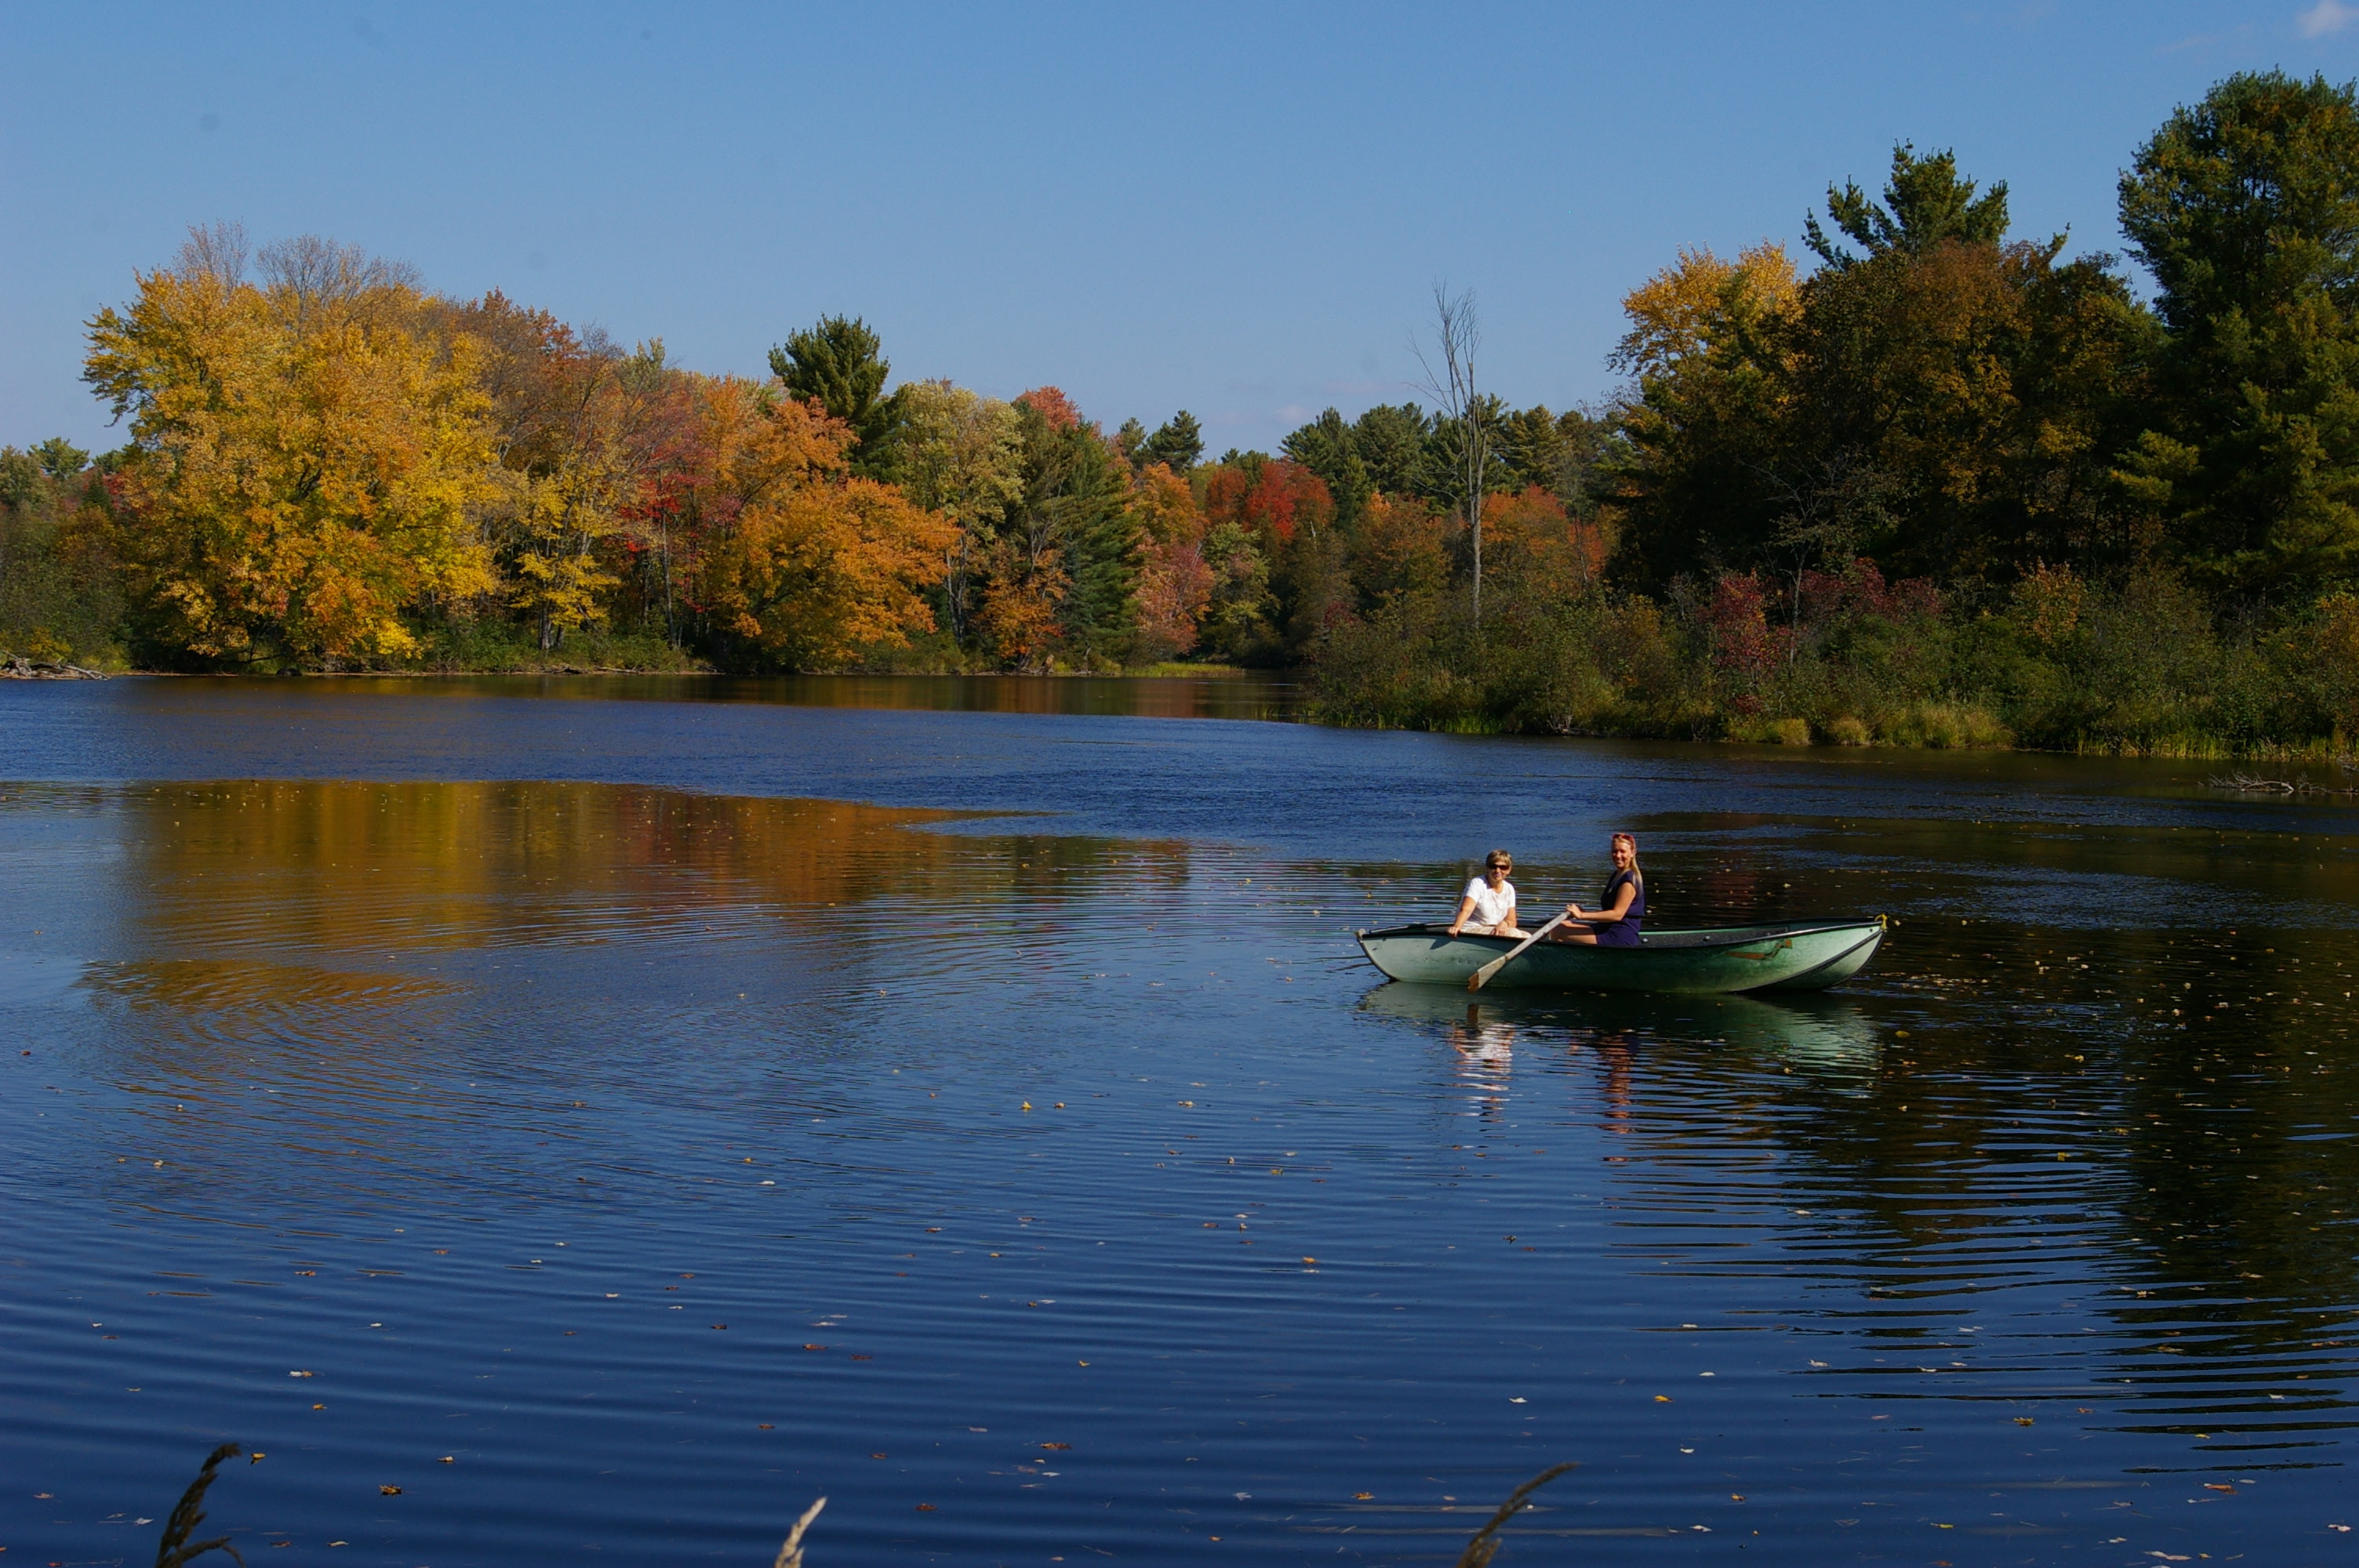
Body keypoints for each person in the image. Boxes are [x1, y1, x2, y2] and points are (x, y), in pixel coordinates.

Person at [1553, 832, 1645, 946]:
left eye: (1622, 851)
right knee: (1561, 924)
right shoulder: (1617, 875)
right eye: (1614, 851)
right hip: (1605, 928)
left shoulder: (1629, 880)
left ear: (1632, 853)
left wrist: (1582, 915)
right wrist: (1582, 912)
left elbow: (1617, 915)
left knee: (1558, 931)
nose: (1618, 855)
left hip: (1619, 936)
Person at [1447, 850, 1524, 938]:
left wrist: (1505, 923)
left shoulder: (1509, 888)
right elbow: (1466, 909)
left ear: (1509, 870)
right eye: (1493, 867)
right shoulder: (1477, 884)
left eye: (1503, 867)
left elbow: (1512, 920)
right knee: (1514, 934)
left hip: (1495, 930)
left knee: (1528, 937)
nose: (1498, 871)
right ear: (1487, 868)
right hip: (1471, 929)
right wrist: (1456, 927)